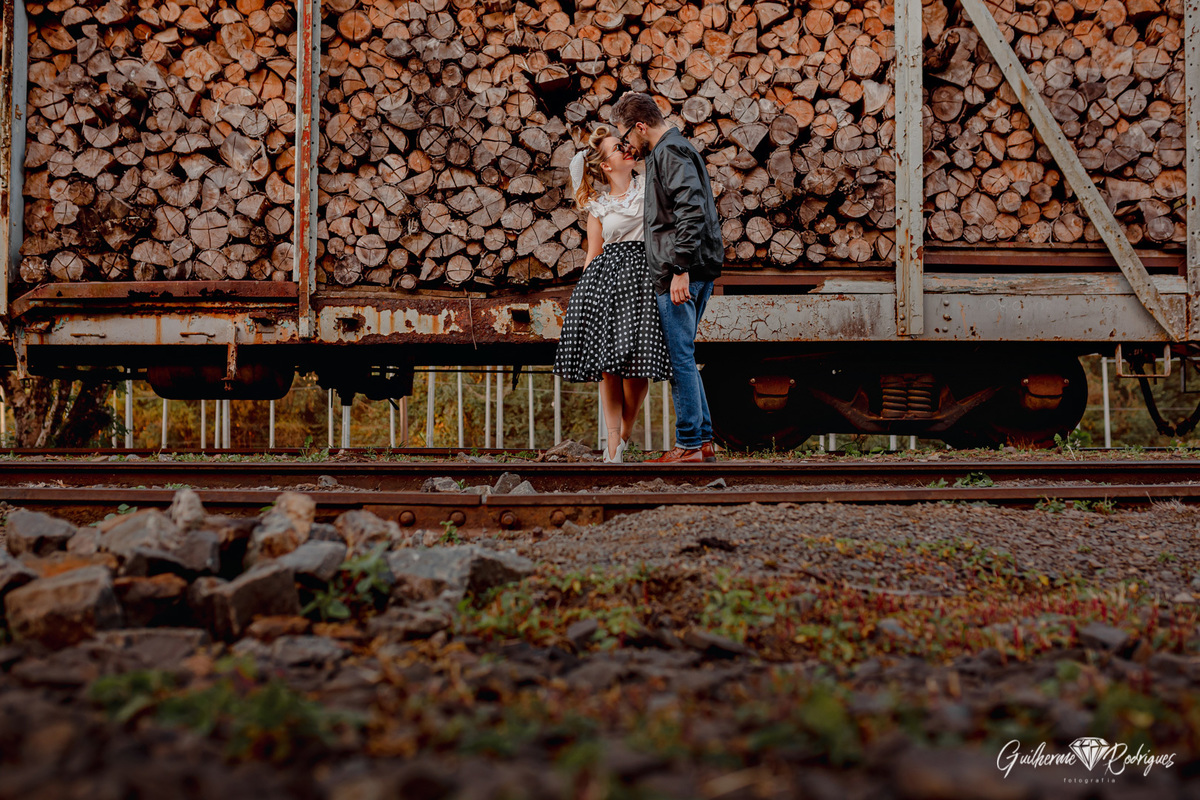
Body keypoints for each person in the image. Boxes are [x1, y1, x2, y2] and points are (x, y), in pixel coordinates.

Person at [610, 93, 723, 464]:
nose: (626, 145)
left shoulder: (670, 152)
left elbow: (690, 210)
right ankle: (703, 440)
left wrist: (679, 268)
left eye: (626, 137)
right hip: (688, 267)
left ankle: (689, 444)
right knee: (685, 356)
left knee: (679, 360)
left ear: (640, 126)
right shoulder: (669, 151)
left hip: (681, 271)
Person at [553, 125, 673, 463]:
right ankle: (611, 446)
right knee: (609, 368)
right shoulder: (599, 207)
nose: (626, 149)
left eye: (625, 144)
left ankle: (624, 435)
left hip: (644, 280)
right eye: (618, 148)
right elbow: (593, 254)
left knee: (637, 368)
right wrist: (583, 301)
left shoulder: (649, 187)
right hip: (606, 285)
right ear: (606, 165)